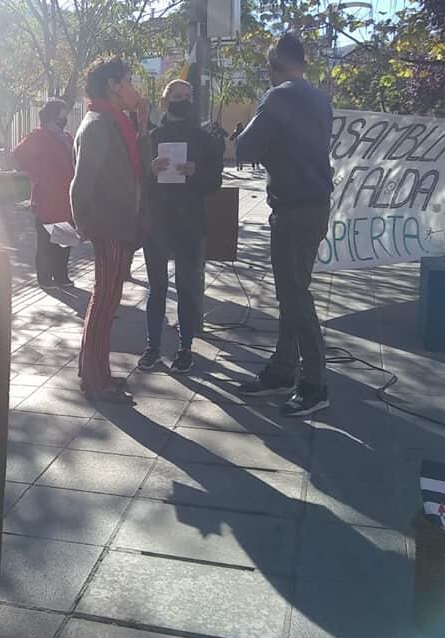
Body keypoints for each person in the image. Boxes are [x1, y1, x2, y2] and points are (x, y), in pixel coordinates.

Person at [235, 32, 334, 417]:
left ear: (273, 62)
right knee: (293, 294)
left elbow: (245, 148)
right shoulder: (318, 98)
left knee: (294, 297)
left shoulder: (280, 96)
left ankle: (314, 384)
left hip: (294, 209)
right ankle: (282, 370)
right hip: (314, 206)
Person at [70, 56, 150, 402]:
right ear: (113, 85)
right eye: (129, 80)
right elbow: (80, 182)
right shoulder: (99, 123)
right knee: (104, 300)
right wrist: (83, 222)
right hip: (107, 222)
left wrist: (142, 123)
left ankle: (96, 373)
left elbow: (136, 168)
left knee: (108, 299)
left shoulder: (116, 121)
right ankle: (94, 377)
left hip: (119, 221)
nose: (134, 87)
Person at [137, 79, 222, 374]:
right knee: (157, 287)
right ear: (165, 101)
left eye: (187, 95)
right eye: (177, 95)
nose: (183, 100)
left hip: (189, 222)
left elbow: (214, 183)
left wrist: (196, 172)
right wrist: (150, 171)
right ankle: (153, 347)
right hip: (157, 222)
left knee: (186, 288)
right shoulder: (151, 137)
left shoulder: (204, 139)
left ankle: (185, 348)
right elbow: (137, 183)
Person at [13, 98, 76, 289]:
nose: (63, 121)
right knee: (46, 242)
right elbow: (19, 154)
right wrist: (37, 174)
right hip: (47, 197)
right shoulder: (38, 137)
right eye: (60, 117)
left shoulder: (67, 138)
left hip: (66, 197)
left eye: (65, 118)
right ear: (49, 117)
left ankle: (61, 275)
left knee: (64, 240)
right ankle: (45, 278)